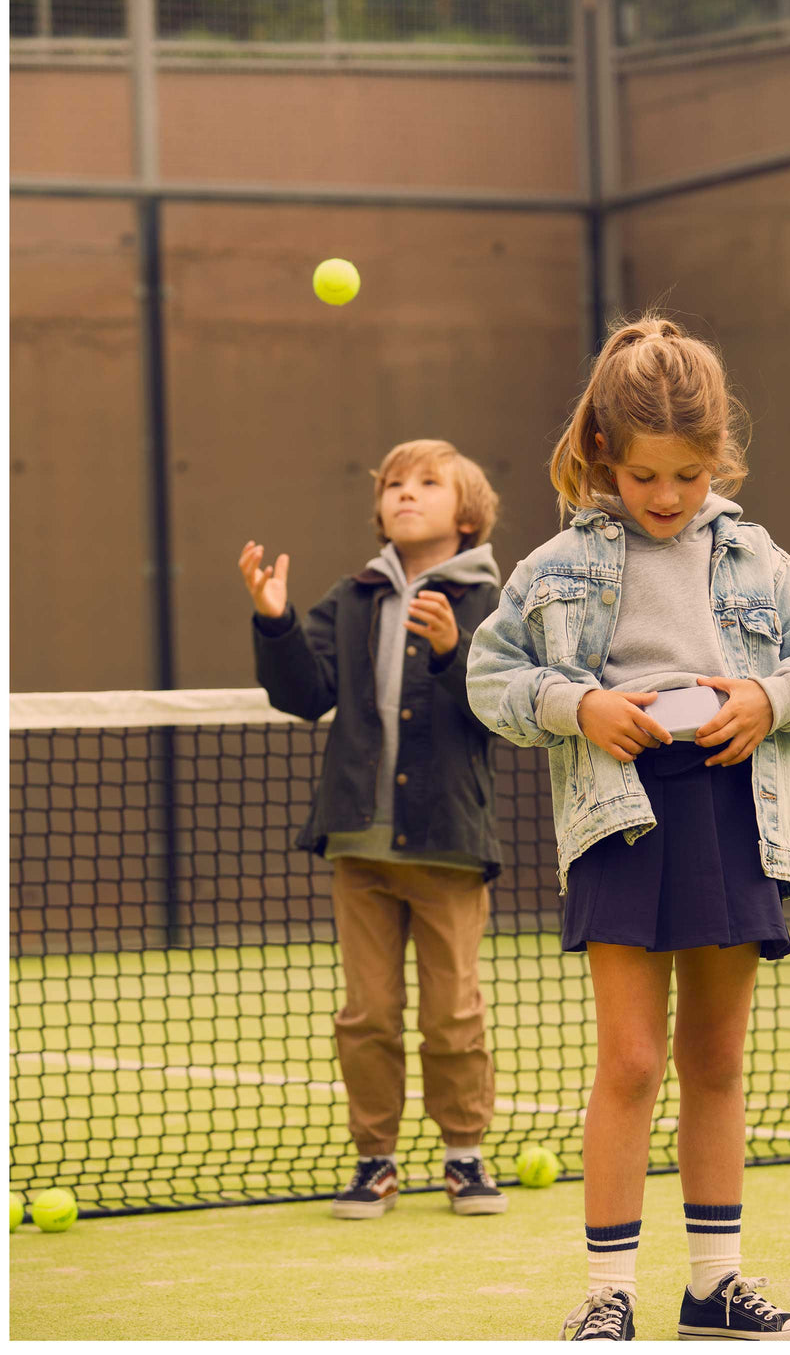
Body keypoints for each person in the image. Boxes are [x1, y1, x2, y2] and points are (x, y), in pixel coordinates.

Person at [466, 318, 790, 1340]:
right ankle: (609, 1295)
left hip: (735, 807)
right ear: (602, 450)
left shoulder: (760, 558)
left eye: (687, 474)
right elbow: (492, 677)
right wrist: (576, 706)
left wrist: (770, 699)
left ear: (717, 458)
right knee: (632, 1061)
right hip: (620, 814)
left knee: (716, 1060)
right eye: (644, 476)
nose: (668, 496)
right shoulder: (553, 567)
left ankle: (714, 1284)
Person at [239, 439, 508, 1220]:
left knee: (453, 1014)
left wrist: (456, 653)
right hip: (358, 845)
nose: (406, 494)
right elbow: (303, 694)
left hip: (450, 844)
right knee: (367, 1013)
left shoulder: (491, 606)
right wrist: (276, 620)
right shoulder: (352, 598)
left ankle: (464, 1156)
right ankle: (375, 1161)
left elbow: (502, 713)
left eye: (428, 483)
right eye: (394, 484)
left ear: (466, 515)